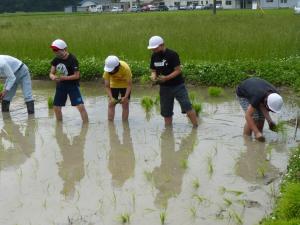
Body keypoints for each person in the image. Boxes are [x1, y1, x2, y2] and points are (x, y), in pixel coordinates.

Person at [147, 36, 198, 127]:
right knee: (166, 112)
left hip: (178, 86)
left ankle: (195, 127)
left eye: (155, 48)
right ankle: (168, 131)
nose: (153, 50)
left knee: (187, 106)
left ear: (162, 45)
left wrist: (166, 78)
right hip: (164, 88)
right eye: (152, 49)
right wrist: (153, 78)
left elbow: (178, 70)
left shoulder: (172, 54)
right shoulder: (154, 56)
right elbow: (153, 70)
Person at [49, 39, 88, 123]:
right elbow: (51, 73)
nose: (55, 52)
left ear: (64, 49)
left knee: (80, 106)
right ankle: (59, 126)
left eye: (56, 50)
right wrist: (52, 77)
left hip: (72, 86)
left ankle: (86, 125)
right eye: (53, 50)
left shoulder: (73, 59)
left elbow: (77, 76)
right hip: (60, 86)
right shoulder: (56, 60)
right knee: (56, 107)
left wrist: (63, 78)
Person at [236, 77, 283, 142]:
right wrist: (256, 132)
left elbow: (262, 105)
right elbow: (248, 116)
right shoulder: (257, 97)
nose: (270, 111)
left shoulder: (276, 96)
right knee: (254, 117)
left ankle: (259, 137)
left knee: (261, 118)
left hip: (257, 91)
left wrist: (270, 122)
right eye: (270, 109)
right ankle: (247, 138)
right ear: (266, 102)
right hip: (243, 94)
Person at [103, 55, 132, 121]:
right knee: (111, 104)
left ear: (117, 67)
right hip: (113, 84)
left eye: (111, 70)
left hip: (125, 84)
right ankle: (110, 124)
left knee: (125, 104)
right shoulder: (107, 70)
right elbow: (107, 86)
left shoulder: (125, 69)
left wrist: (125, 97)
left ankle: (125, 123)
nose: (110, 71)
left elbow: (129, 85)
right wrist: (111, 98)